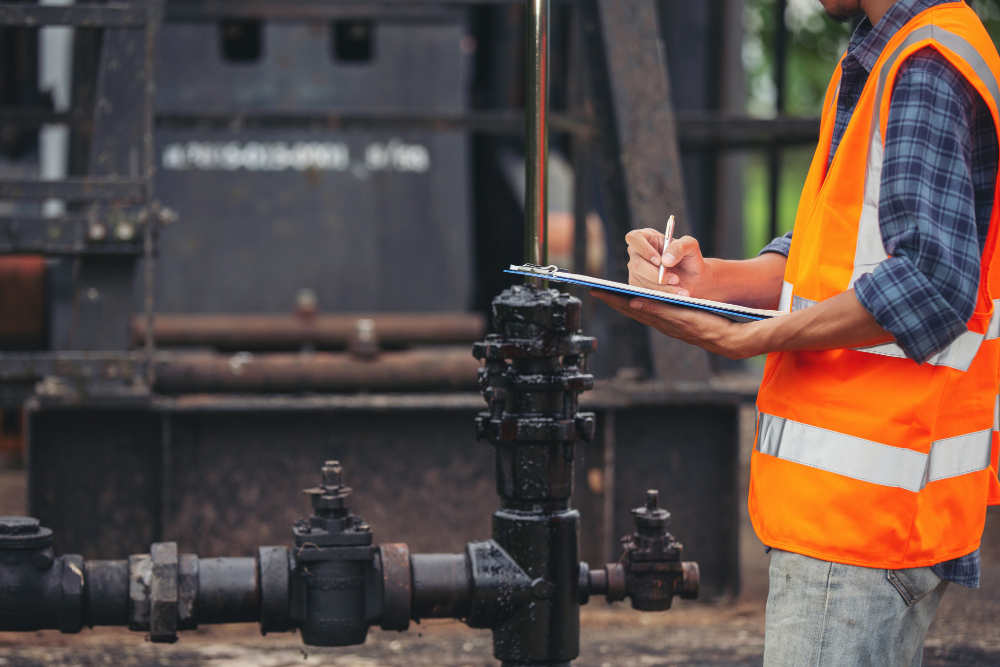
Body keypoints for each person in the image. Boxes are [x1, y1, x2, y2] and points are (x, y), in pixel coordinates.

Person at [592, 1, 1000, 665]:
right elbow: (830, 256)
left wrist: (752, 340)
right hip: (861, 515)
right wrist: (708, 279)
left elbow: (930, 281)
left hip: (861, 520)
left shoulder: (924, 67)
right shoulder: (885, 57)